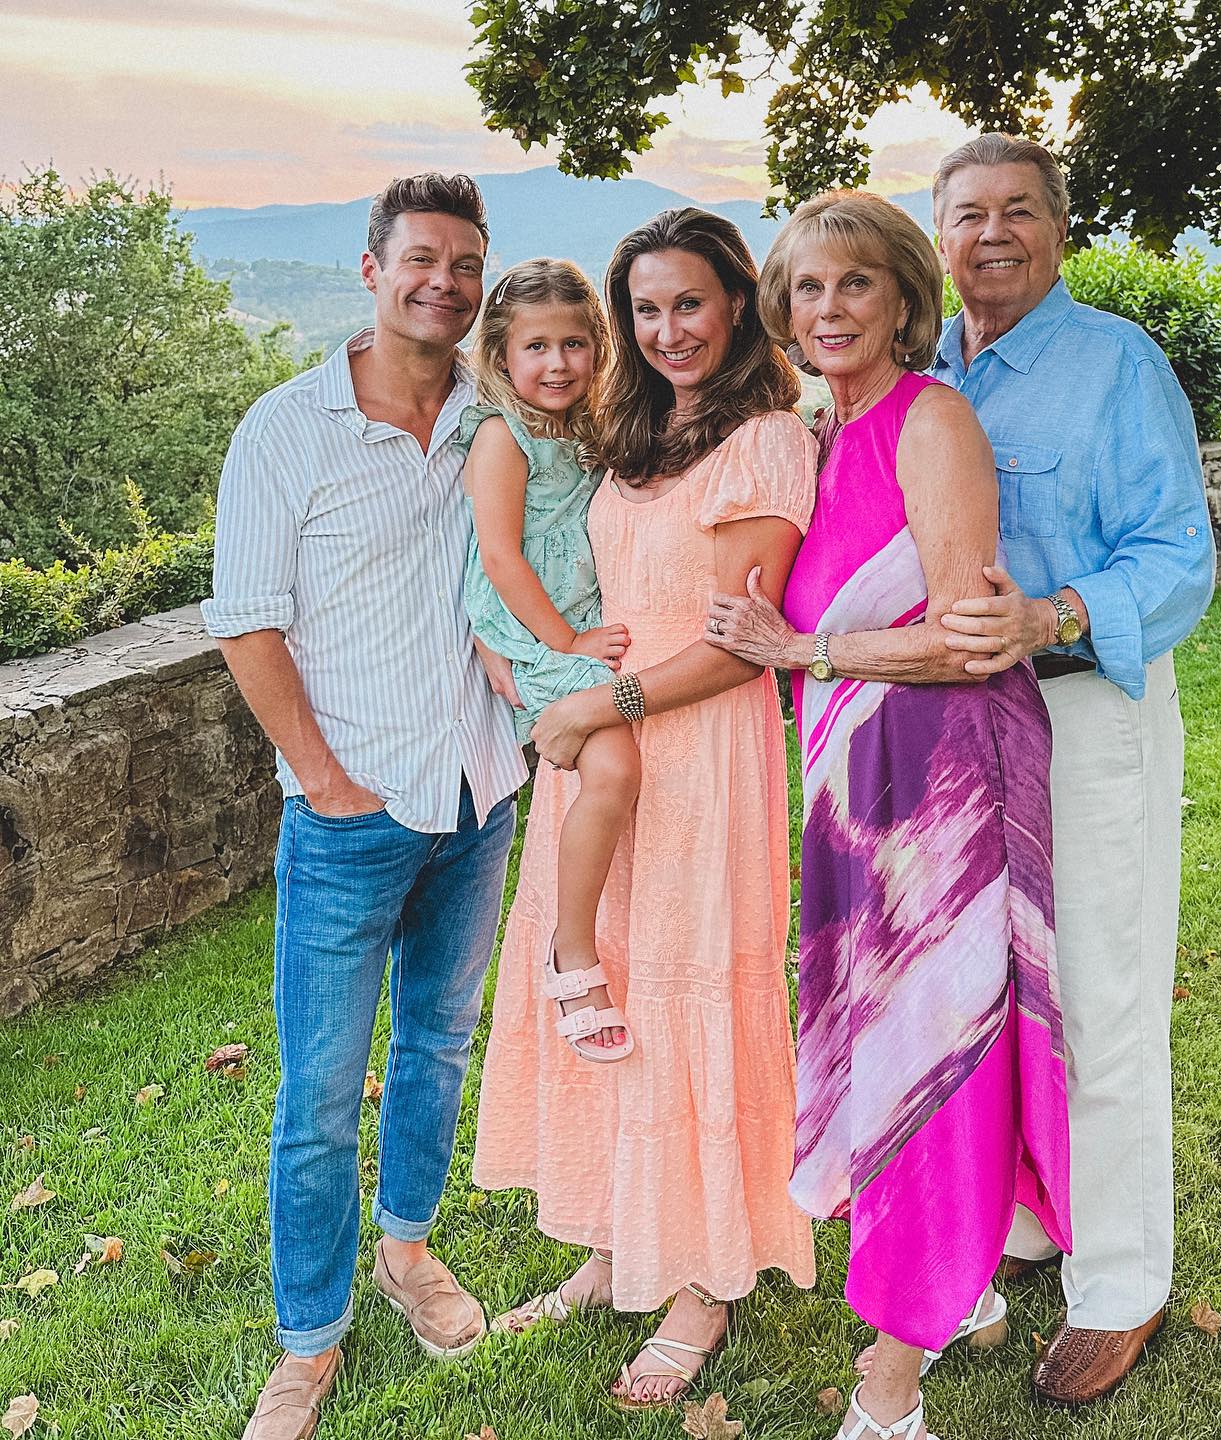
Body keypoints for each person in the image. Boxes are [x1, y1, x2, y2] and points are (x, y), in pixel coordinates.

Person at [707, 189, 1070, 1440]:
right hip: (853, 795)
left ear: (906, 298)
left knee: (935, 1051)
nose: (828, 309)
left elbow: (968, 642)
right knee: (890, 1044)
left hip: (938, 790)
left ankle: (890, 1383)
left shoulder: (932, 419)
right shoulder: (817, 436)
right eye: (806, 290)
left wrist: (800, 648)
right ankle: (957, 1286)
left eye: (854, 283)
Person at [471, 207, 817, 1405]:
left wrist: (602, 701)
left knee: (683, 989)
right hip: (601, 735)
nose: (666, 329)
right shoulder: (629, 430)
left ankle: (699, 1282)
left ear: (736, 306)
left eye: (689, 303)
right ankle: (616, 1243)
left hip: (691, 738)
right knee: (600, 980)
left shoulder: (766, 439)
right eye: (646, 308)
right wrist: (546, 677)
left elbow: (742, 646)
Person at [202, 173, 528, 1440]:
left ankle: (407, 1251)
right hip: (348, 816)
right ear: (370, 267)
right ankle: (309, 1337)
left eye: (465, 264)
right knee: (321, 1092)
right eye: (421, 260)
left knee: (439, 1049)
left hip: (480, 794)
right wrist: (325, 781)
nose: (442, 282)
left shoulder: (494, 422)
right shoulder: (287, 429)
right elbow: (246, 622)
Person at [928, 133, 1215, 1406]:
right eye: (967, 214)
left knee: (1101, 997)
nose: (993, 234)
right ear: (934, 235)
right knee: (994, 995)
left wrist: (1056, 617)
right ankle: (1028, 1223)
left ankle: (1121, 1284)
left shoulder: (1115, 364)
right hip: (957, 737)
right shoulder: (923, 368)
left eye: (1020, 212)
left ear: (1060, 228)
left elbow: (1179, 557)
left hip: (1085, 711)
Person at [458, 257, 638, 1062]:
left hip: (584, 621)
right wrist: (564, 644)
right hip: (538, 632)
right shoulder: (504, 436)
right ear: (501, 357)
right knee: (614, 771)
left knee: (621, 770)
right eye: (535, 347)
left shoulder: (589, 429)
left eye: (574, 344)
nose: (557, 363)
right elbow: (500, 557)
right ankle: (572, 948)